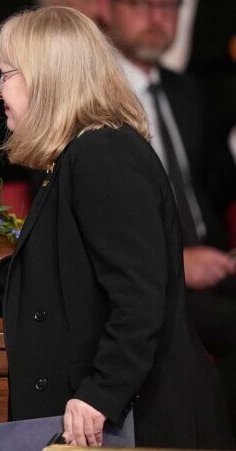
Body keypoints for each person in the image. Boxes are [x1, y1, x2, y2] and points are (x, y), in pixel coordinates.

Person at [0, 6, 234, 448]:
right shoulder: (84, 150)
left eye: (5, 75)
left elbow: (139, 295)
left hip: (146, 424)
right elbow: (60, 264)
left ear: (45, 76)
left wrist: (101, 392)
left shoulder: (104, 153)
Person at [98, 0, 236, 437]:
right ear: (107, 8)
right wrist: (176, 261)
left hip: (216, 260)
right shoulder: (94, 93)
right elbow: (94, 214)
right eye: (142, 4)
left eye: (170, 6)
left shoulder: (187, 90)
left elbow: (215, 187)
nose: (158, 18)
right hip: (148, 279)